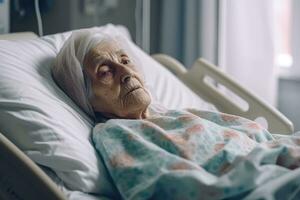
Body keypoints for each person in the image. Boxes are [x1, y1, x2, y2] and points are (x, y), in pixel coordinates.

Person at [52, 29, 300, 200]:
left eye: (125, 60)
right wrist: (277, 161)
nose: (126, 72)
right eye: (105, 72)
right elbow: (172, 189)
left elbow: (266, 140)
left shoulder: (180, 114)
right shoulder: (117, 133)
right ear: (85, 97)